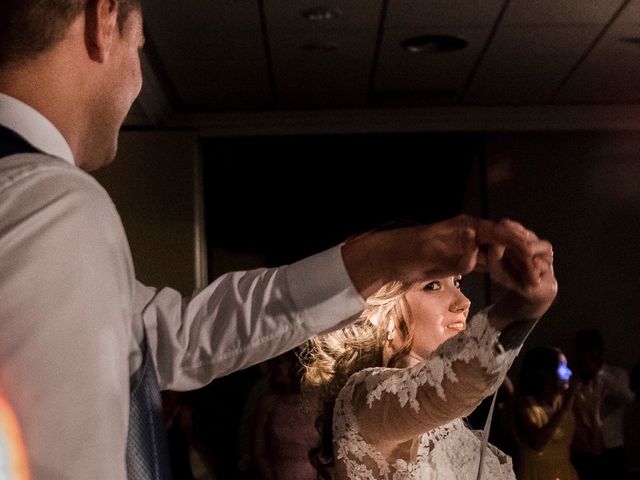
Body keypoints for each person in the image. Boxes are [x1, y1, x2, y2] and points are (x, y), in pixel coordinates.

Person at [0, 2, 540, 478]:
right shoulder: (51, 201)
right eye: (139, 48)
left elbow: (177, 336)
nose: (139, 78)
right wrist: (520, 309)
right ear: (104, 19)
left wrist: (383, 257)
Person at [302, 222, 557, 479]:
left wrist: (525, 305)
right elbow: (443, 391)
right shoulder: (364, 401)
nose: (464, 302)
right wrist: (517, 308)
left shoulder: (456, 432)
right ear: (383, 315)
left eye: (456, 283)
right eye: (432, 286)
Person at [572, 329, 635, 480]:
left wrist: (597, 372)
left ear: (600, 349)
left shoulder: (616, 374)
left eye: (590, 349)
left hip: (613, 449)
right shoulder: (576, 380)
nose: (585, 355)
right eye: (582, 350)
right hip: (584, 450)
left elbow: (629, 398)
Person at [251, 350, 319, 480]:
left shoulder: (317, 399)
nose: (273, 368)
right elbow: (258, 450)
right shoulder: (268, 402)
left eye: (279, 363)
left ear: (295, 365)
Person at [514, 346, 578, 480]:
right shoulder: (526, 405)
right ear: (546, 373)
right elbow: (537, 442)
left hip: (564, 473)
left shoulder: (564, 403)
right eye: (563, 368)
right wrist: (565, 408)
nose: (569, 373)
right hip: (536, 474)